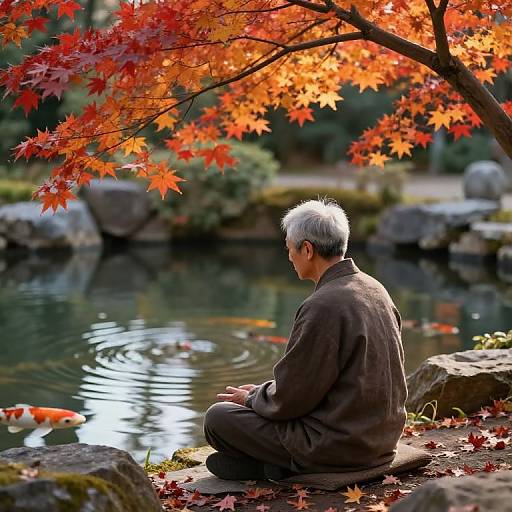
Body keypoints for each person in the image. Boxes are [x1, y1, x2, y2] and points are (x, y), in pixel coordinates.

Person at [203, 199, 407, 480]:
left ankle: (282, 467)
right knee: (249, 408)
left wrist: (252, 398)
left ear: (307, 249)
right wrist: (262, 392)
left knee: (218, 418)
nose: (289, 257)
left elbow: (291, 398)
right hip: (382, 440)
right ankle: (273, 466)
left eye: (289, 249)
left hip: (341, 445)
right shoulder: (376, 289)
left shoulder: (323, 305)